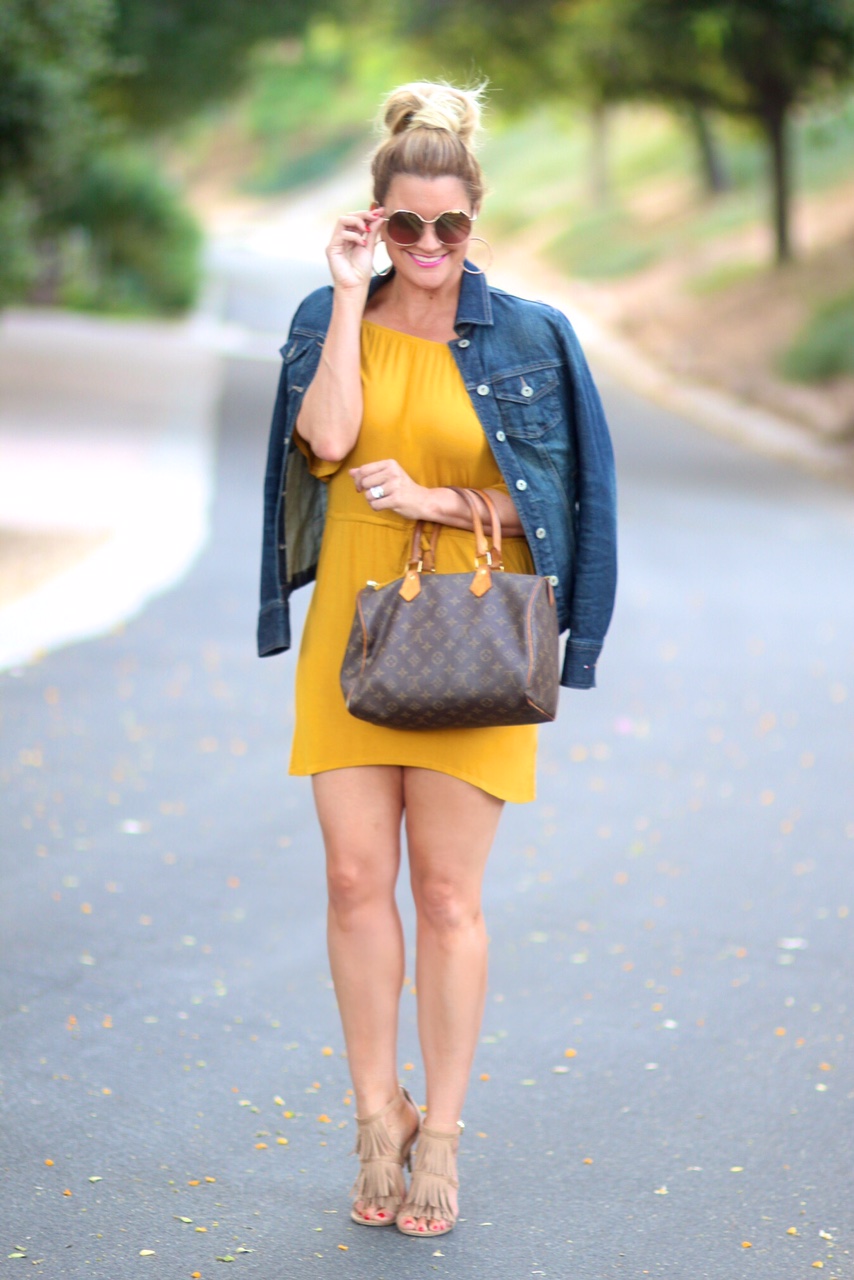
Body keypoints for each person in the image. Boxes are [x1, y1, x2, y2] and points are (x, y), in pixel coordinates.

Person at [258, 80, 617, 1237]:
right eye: (401, 225)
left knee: (449, 892)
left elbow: (561, 503)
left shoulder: (530, 337)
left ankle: (443, 1132)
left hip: (468, 622)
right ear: (374, 221)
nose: (425, 245)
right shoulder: (335, 318)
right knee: (354, 881)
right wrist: (345, 291)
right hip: (352, 628)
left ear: (476, 222)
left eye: (446, 226)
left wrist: (435, 494)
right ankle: (376, 1116)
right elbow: (323, 442)